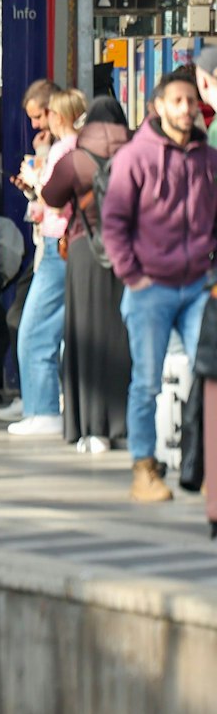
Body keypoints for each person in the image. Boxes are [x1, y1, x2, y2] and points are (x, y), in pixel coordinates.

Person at [100, 69, 217, 503]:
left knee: (211, 378)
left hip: (199, 286)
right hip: (150, 287)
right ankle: (144, 468)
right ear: (158, 107)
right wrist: (134, 275)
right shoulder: (135, 157)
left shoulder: (208, 159)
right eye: (177, 101)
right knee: (146, 382)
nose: (187, 108)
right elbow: (114, 222)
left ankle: (205, 467)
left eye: (191, 100)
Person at [40, 95, 135, 453]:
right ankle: (124, 425)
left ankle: (92, 428)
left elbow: (51, 196)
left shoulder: (76, 158)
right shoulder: (134, 153)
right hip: (128, 253)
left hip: (86, 252)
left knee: (85, 337)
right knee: (123, 338)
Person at [3, 87, 86, 435]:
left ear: (58, 114)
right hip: (63, 243)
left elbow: (54, 197)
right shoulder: (76, 148)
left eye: (44, 114)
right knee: (48, 328)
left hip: (57, 245)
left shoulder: (65, 150)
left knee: (35, 329)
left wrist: (37, 179)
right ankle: (43, 406)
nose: (39, 123)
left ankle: (43, 409)